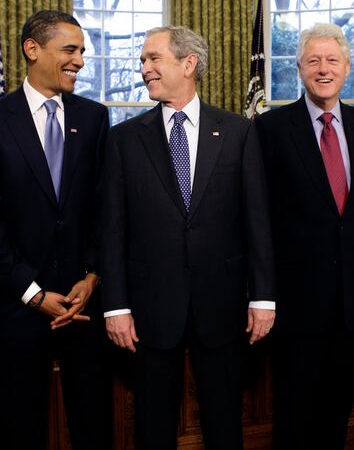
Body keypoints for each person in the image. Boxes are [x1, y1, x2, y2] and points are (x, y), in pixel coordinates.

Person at [101, 25, 275, 449]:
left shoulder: (237, 131)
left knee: (223, 418)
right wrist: (116, 306)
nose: (144, 69)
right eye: (143, 60)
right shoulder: (124, 138)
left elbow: (257, 219)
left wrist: (263, 297)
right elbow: (112, 227)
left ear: (188, 63)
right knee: (153, 421)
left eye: (153, 58)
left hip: (222, 303)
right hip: (150, 307)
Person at [0, 10, 111, 449]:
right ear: (32, 49)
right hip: (17, 308)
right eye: (70, 49)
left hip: (83, 306)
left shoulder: (95, 117)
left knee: (93, 423)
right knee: (20, 426)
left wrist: (91, 274)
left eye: (81, 51)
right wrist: (33, 293)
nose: (80, 60)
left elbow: (103, 208)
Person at [254, 22, 354, 449]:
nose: (323, 69)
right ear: (300, 70)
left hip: (351, 301)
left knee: (338, 409)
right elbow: (260, 217)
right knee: (294, 411)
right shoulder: (271, 129)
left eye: (332, 60)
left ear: (347, 68)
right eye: (313, 61)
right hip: (297, 302)